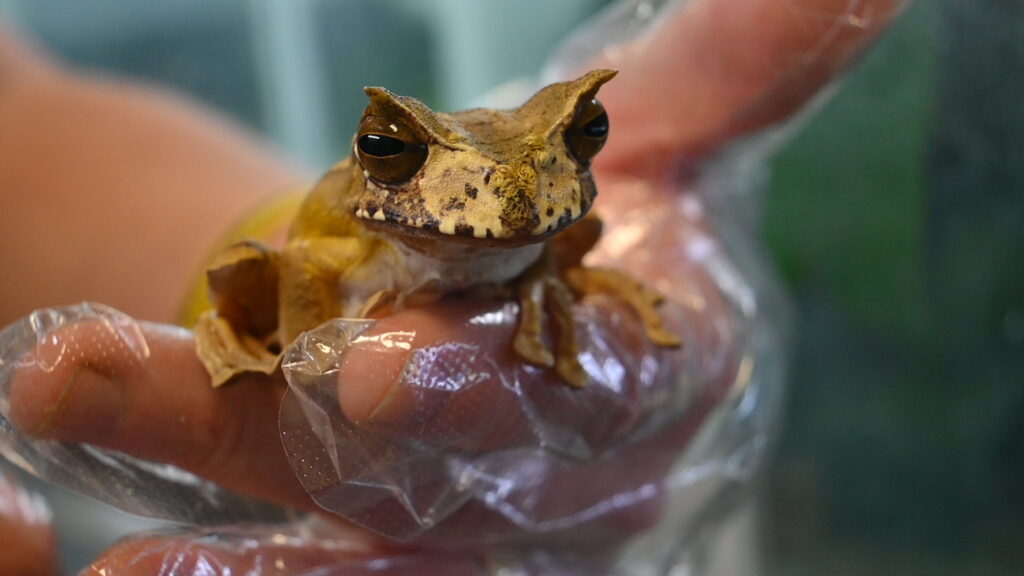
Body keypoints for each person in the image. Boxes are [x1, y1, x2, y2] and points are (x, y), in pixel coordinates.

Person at [0, 1, 909, 573]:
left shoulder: (551, 216)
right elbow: (310, 263)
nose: (508, 196)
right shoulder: (349, 243)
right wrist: (281, 356)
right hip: (344, 258)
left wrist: (582, 290)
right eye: (394, 150)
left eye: (579, 137)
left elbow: (20, 124)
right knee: (253, 285)